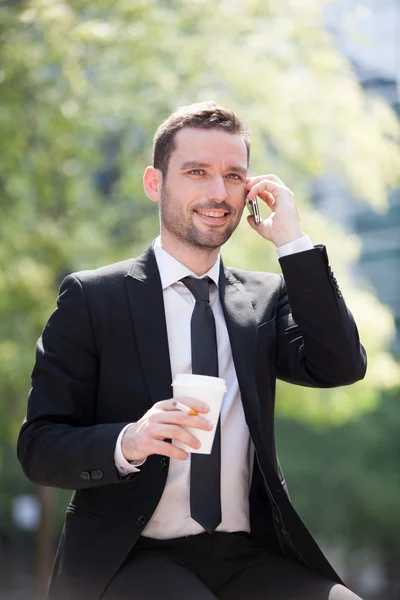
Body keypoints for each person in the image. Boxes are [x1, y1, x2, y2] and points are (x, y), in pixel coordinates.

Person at [17, 101, 367, 600]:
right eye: (197, 172)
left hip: (251, 555)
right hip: (132, 556)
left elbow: (341, 366)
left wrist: (293, 243)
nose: (217, 192)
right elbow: (39, 447)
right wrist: (129, 442)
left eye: (233, 176)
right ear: (155, 184)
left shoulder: (264, 299)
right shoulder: (94, 298)